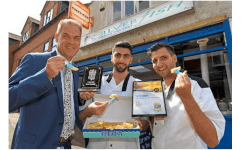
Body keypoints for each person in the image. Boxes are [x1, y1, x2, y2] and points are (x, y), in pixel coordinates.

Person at [9, 19, 107, 149]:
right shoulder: (34, 60)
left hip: (64, 145)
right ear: (56, 37)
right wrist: (45, 76)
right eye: (66, 36)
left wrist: (79, 98)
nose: (72, 42)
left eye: (76, 38)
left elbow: (63, 104)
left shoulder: (74, 70)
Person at [147, 43, 225, 149]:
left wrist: (186, 96)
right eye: (154, 61)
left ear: (174, 58)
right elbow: (159, 124)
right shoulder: (155, 89)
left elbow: (212, 140)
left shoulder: (195, 84)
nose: (159, 64)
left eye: (164, 58)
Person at [79, 41, 150, 149]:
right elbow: (81, 117)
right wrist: (89, 110)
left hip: (128, 145)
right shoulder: (95, 84)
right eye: (118, 55)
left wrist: (141, 124)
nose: (121, 60)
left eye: (126, 56)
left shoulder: (140, 86)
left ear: (130, 59)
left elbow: (147, 119)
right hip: (97, 145)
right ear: (112, 57)